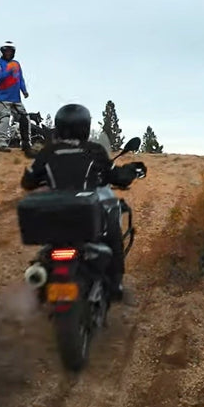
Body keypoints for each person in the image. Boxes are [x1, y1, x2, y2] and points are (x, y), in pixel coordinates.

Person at [21, 103, 141, 300]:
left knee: (47, 249)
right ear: (85, 127)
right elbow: (116, 176)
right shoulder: (95, 151)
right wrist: (129, 171)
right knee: (114, 233)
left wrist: (45, 180)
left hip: (55, 218)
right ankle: (116, 285)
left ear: (59, 127)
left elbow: (28, 181)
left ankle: (41, 285)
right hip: (86, 217)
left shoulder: (47, 152)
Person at [0, 40, 33, 157]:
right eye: (7, 51)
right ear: (3, 52)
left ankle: (26, 143)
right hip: (3, 97)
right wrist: (9, 70)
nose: (9, 53)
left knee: (25, 118)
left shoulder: (16, 64)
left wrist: (24, 90)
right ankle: (2, 144)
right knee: (5, 118)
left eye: (11, 51)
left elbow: (20, 78)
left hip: (16, 98)